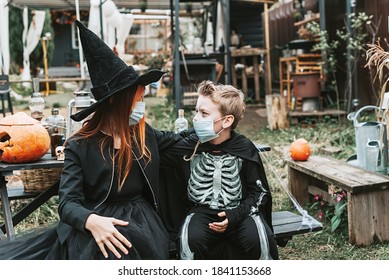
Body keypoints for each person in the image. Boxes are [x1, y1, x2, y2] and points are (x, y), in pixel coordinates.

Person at [0, 20, 183, 260]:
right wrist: (91, 221)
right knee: (99, 252)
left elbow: (181, 141)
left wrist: (213, 129)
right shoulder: (80, 145)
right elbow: (67, 203)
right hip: (94, 217)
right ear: (116, 103)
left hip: (140, 221)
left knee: (129, 247)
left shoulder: (143, 133)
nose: (142, 106)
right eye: (137, 100)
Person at [159, 81, 279, 260]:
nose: (196, 118)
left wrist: (235, 214)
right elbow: (159, 150)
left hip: (239, 211)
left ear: (227, 120)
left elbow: (259, 192)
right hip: (200, 211)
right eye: (196, 111)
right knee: (187, 240)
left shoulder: (244, 147)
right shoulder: (191, 145)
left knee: (261, 240)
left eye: (204, 113)